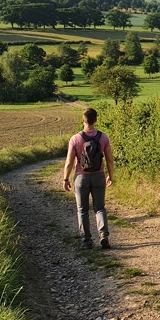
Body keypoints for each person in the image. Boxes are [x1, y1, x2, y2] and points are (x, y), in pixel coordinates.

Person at [63, 107, 114, 249]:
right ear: (96, 120)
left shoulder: (75, 139)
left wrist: (65, 179)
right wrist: (110, 175)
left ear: (83, 120)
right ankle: (103, 235)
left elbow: (69, 162)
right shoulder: (103, 137)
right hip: (98, 176)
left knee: (82, 209)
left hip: (81, 177)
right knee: (99, 208)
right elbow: (110, 160)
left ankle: (86, 240)